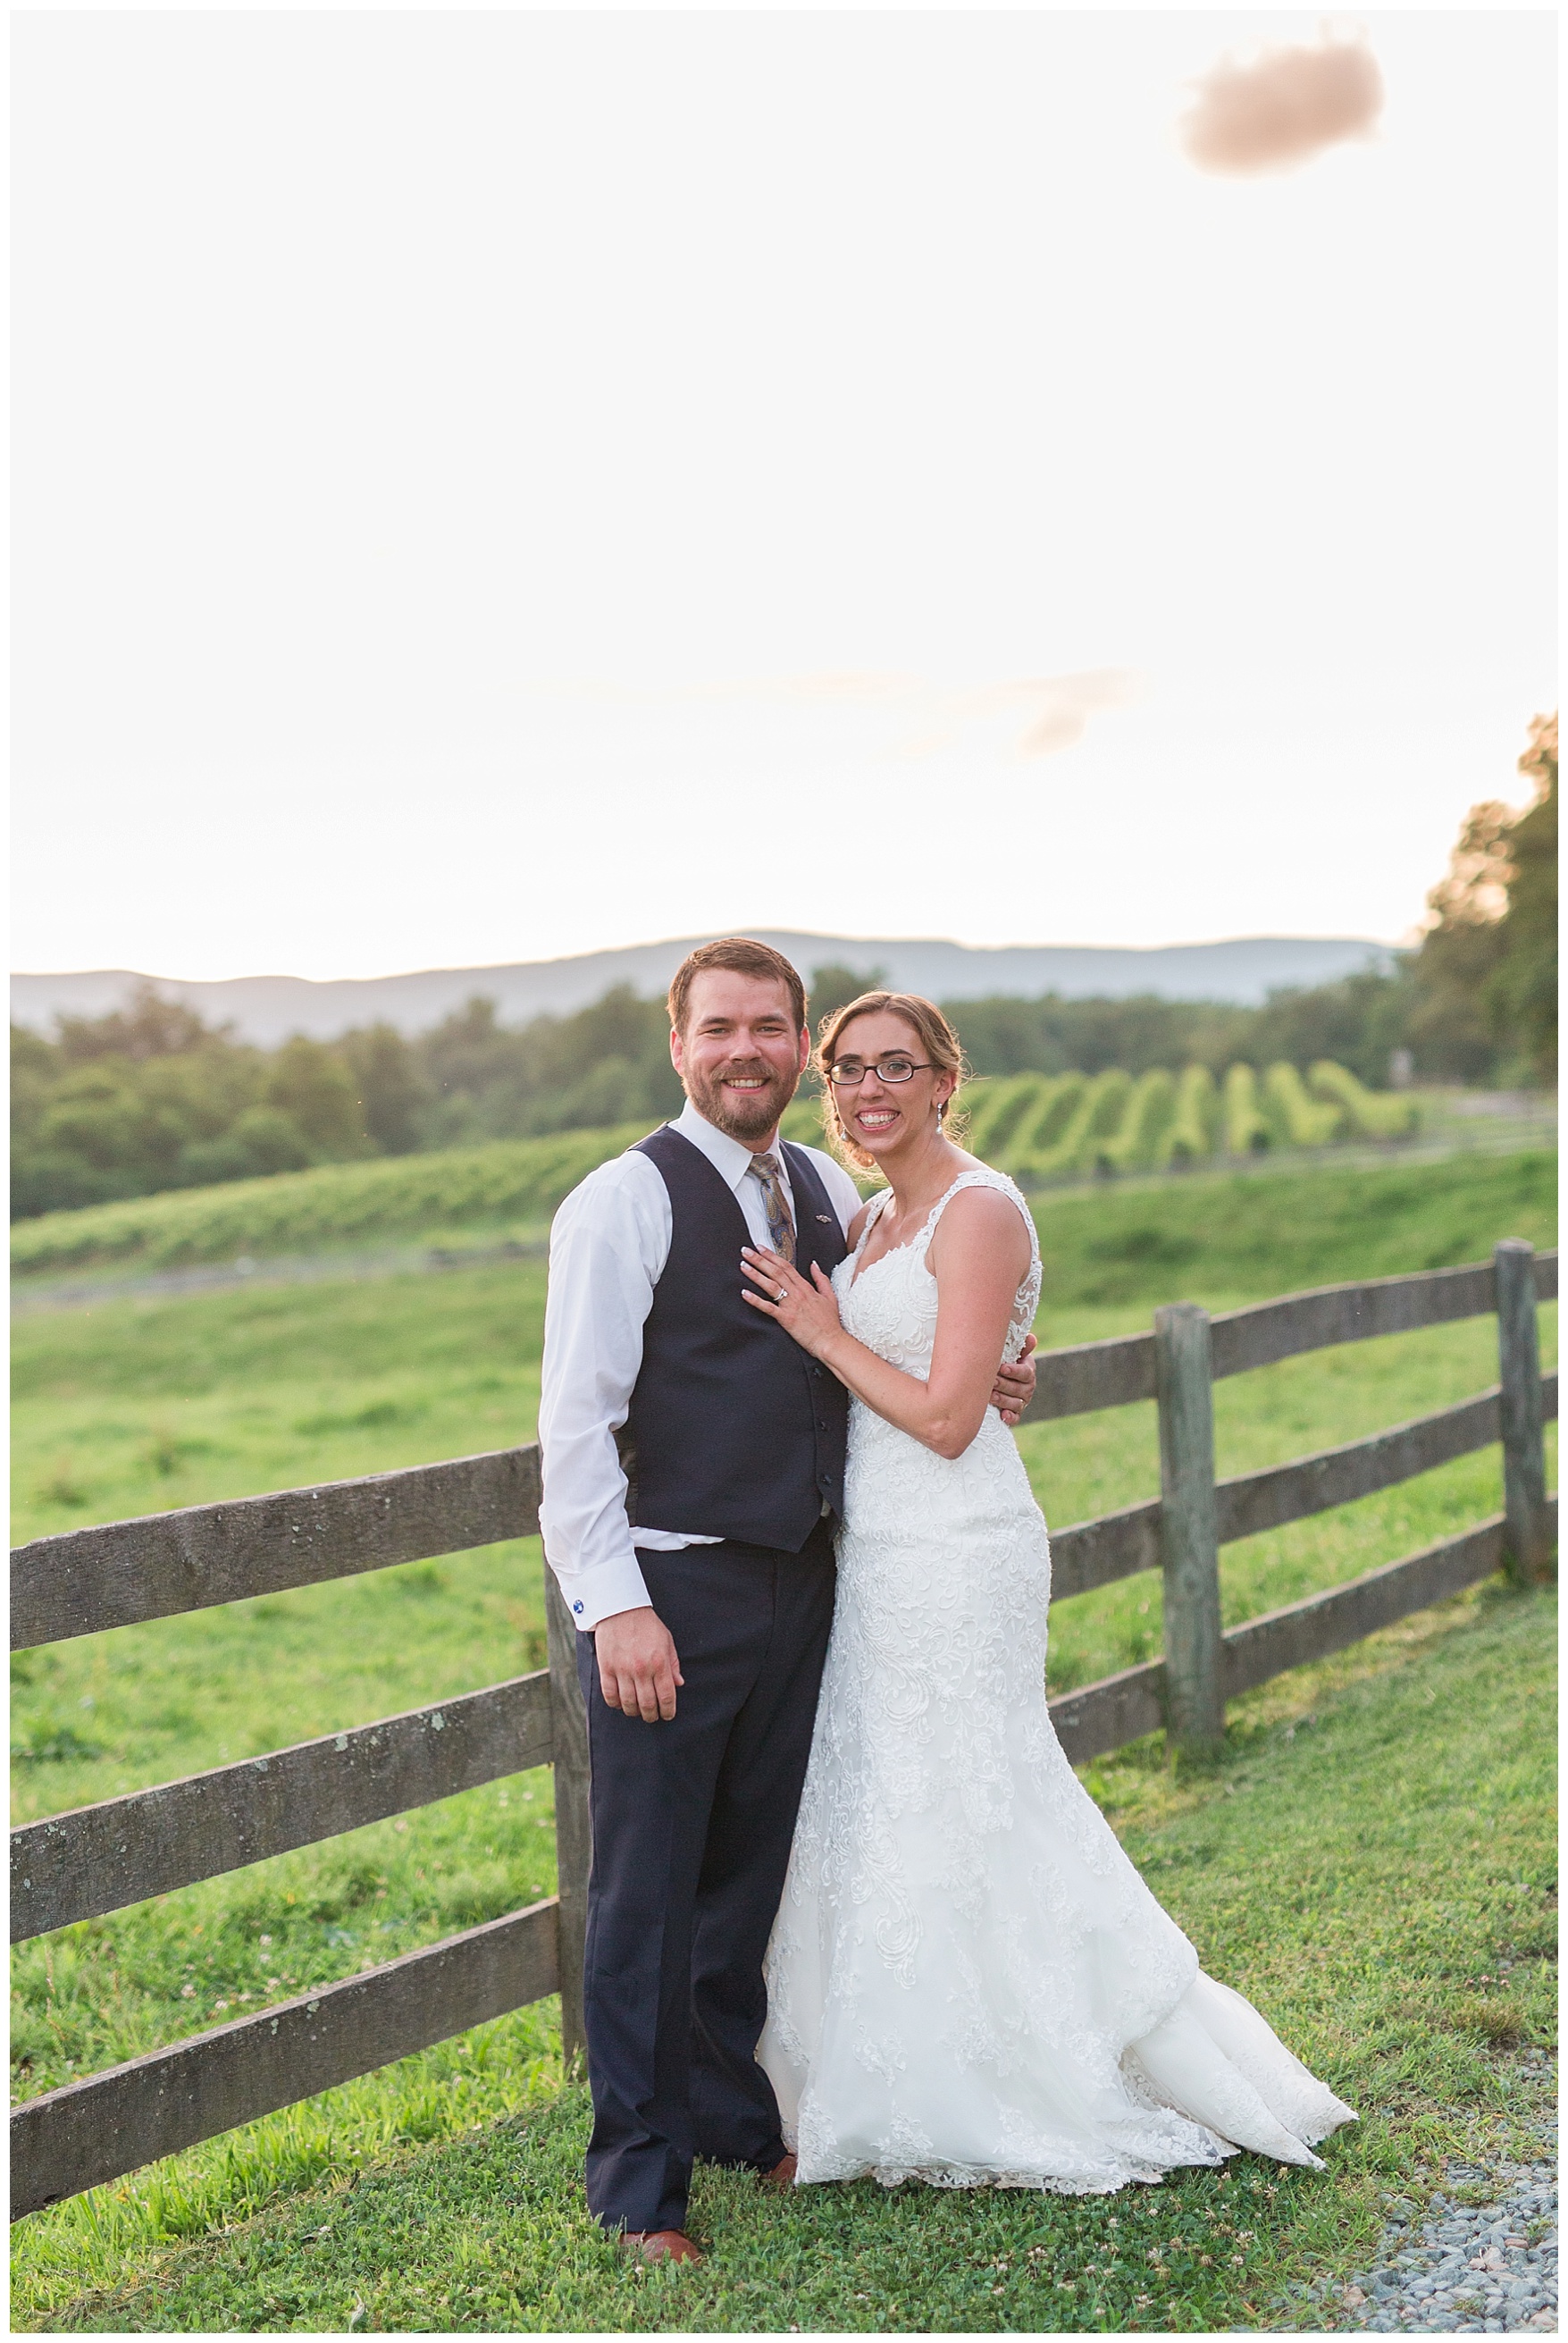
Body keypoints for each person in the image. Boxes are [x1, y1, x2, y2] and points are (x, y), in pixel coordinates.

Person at [748, 988, 1357, 2195]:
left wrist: (823, 1333)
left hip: (960, 1543)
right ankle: (885, 2069)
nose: (872, 1090)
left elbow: (945, 1411)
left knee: (975, 1788)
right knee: (888, 1790)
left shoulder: (978, 1207)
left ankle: (1047, 2067)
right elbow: (970, 1363)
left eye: (897, 1067)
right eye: (851, 1069)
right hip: (880, 1549)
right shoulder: (872, 1219)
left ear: (943, 1081)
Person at [537, 940, 1038, 2262]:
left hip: (810, 1578)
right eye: (721, 1028)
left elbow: (892, 1339)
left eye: (770, 1026)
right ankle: (639, 2188)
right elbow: (576, 1430)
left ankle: (727, 2117)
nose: (746, 1048)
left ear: (795, 1042)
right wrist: (614, 1605)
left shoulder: (822, 1183)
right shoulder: (621, 1201)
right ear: (680, 1045)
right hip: (674, 1586)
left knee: (746, 1882)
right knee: (646, 1894)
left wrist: (990, 1374)